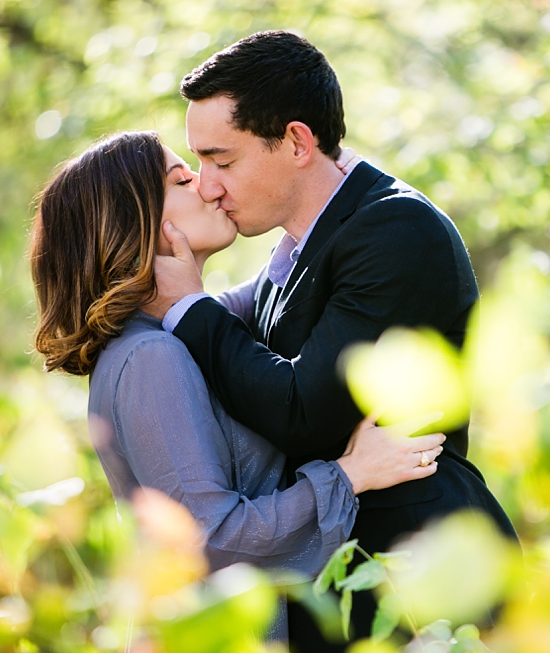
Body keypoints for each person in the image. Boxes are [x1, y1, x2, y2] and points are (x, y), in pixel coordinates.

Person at [144, 31, 518, 650]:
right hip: (344, 575)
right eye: (200, 164)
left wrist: (185, 306)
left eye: (223, 161)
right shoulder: (297, 245)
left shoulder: (396, 229)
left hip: (418, 570)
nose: (208, 185)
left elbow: (302, 410)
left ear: (295, 142)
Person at [28, 131, 446, 641]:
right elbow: (209, 541)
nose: (207, 186)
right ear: (138, 222)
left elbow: (286, 275)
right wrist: (350, 474)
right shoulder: (148, 358)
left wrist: (321, 168)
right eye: (183, 177)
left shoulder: (173, 332)